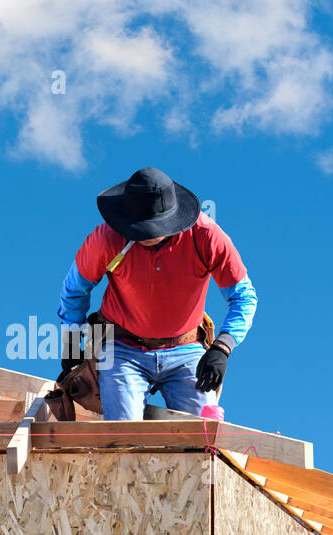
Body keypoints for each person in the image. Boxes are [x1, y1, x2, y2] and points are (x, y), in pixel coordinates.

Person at [56, 166, 257, 420]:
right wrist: (72, 344)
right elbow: (75, 290)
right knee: (122, 436)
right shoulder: (106, 239)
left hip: (186, 350)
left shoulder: (206, 237)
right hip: (122, 350)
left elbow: (244, 296)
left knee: (203, 436)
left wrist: (222, 347)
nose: (142, 235)